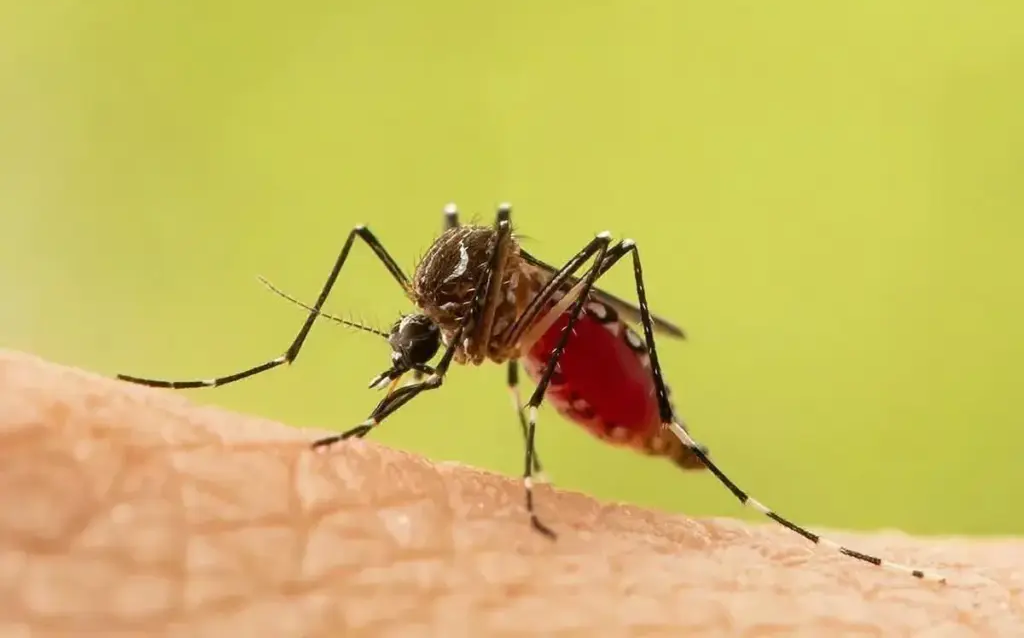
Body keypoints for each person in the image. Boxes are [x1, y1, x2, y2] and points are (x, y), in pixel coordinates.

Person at [0, 350, 1017, 636]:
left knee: (571, 258)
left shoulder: (503, 319)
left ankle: (694, 455)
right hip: (543, 334)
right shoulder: (439, 320)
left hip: (578, 347)